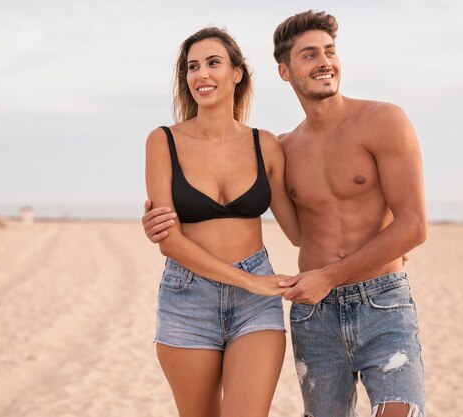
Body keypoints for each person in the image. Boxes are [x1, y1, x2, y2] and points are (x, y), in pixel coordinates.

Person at [143, 10, 427, 417]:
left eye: (329, 52)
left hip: (355, 301)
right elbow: (300, 232)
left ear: (238, 73)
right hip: (259, 303)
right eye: (309, 55)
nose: (324, 62)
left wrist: (382, 250)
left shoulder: (365, 124)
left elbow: (404, 226)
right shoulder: (272, 146)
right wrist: (159, 225)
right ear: (285, 70)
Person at [143, 27, 300, 417]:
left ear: (237, 73)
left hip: (256, 303)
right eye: (192, 67)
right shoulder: (163, 141)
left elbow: (299, 231)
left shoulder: (266, 145)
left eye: (213, 63)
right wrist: (248, 281)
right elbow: (169, 240)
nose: (201, 74)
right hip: (187, 296)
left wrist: (374, 236)